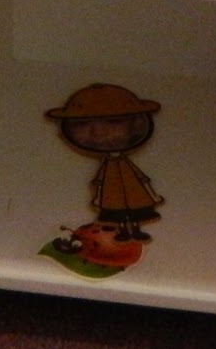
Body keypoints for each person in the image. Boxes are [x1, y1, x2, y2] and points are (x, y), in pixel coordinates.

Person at [46, 83, 164, 239]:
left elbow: (141, 178)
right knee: (115, 210)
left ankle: (134, 230)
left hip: (134, 195)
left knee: (135, 207)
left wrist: (152, 195)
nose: (99, 132)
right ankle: (123, 230)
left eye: (114, 121)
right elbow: (100, 183)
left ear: (137, 124)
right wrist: (98, 198)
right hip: (111, 197)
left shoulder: (127, 164)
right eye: (81, 123)